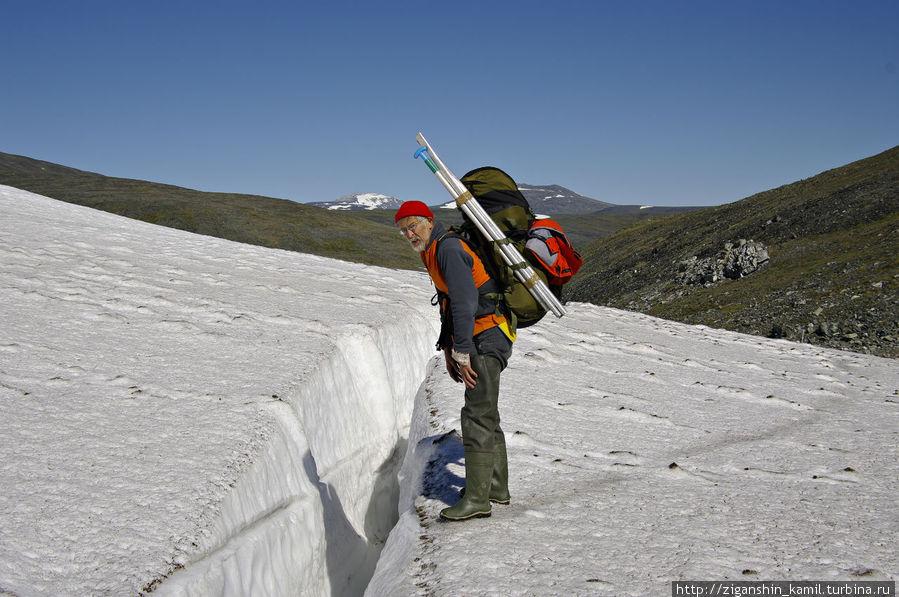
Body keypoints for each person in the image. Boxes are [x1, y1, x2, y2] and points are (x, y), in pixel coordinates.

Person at [395, 200, 515, 521]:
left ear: (429, 222)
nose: (409, 234)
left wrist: (462, 352)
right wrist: (449, 348)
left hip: (488, 335)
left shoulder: (446, 250)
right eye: (404, 229)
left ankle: (478, 499)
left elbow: (464, 302)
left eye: (413, 226)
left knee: (476, 415)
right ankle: (495, 486)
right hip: (480, 334)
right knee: (485, 410)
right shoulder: (431, 251)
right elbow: (449, 303)